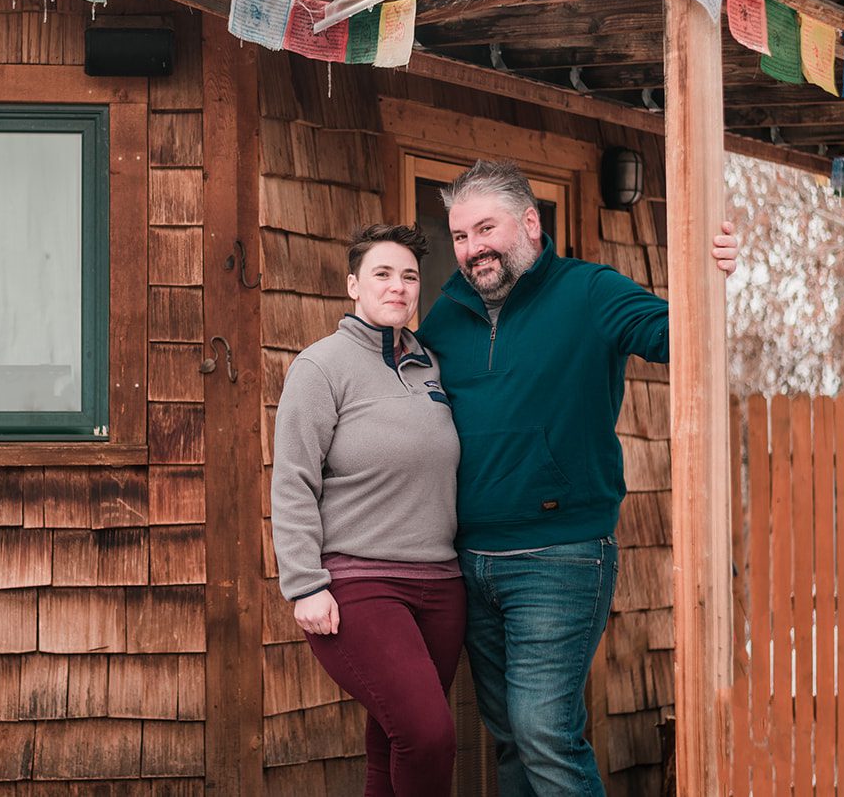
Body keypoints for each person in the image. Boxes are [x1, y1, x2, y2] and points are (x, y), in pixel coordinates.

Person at [415, 159, 736, 796]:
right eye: (459, 236)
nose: (472, 249)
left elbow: (678, 335)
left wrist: (715, 278)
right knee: (509, 741)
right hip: (469, 560)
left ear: (530, 223)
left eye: (486, 229)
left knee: (543, 732)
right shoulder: (444, 320)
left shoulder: (589, 292)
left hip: (559, 556)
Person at [270, 223, 466, 797]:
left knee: (393, 742)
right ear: (354, 284)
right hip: (360, 584)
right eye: (382, 274)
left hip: (441, 585)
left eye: (409, 276)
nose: (398, 286)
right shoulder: (320, 367)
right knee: (430, 737)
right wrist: (304, 584)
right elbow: (293, 480)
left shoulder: (430, 365)